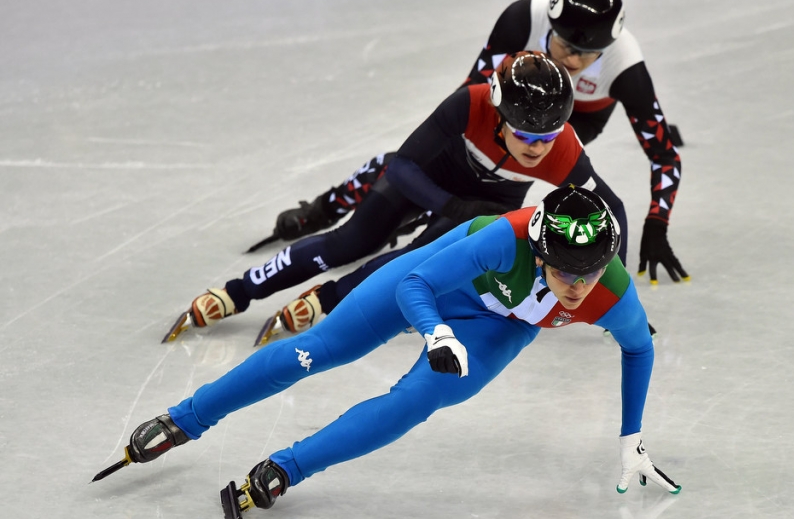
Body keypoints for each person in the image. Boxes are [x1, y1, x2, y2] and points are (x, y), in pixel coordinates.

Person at [95, 186, 681, 519]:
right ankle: (184, 419)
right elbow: (415, 286)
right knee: (318, 350)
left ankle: (287, 468)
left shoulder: (612, 293)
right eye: (560, 271)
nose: (575, 288)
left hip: (497, 329)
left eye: (588, 274)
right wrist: (435, 334)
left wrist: (631, 438)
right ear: (537, 249)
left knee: (413, 403)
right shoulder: (508, 236)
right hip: (434, 287)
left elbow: (639, 349)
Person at [164, 51, 631, 344]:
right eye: (526, 132)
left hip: (483, 208)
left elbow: (614, 210)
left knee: (409, 262)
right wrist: (449, 205)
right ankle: (239, 291)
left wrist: (617, 294)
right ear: (498, 114)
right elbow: (402, 166)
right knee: (346, 244)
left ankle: (328, 298)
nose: (537, 147)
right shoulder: (468, 104)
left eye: (549, 134)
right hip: (427, 180)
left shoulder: (564, 151)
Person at [257, 0, 686, 284]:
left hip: (571, 122)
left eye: (588, 54)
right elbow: (474, 101)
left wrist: (656, 225)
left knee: (494, 179)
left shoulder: (626, 68)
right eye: (563, 47)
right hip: (511, 105)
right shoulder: (523, 18)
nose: (573, 60)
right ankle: (328, 206)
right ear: (548, 28)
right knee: (420, 162)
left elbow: (663, 156)